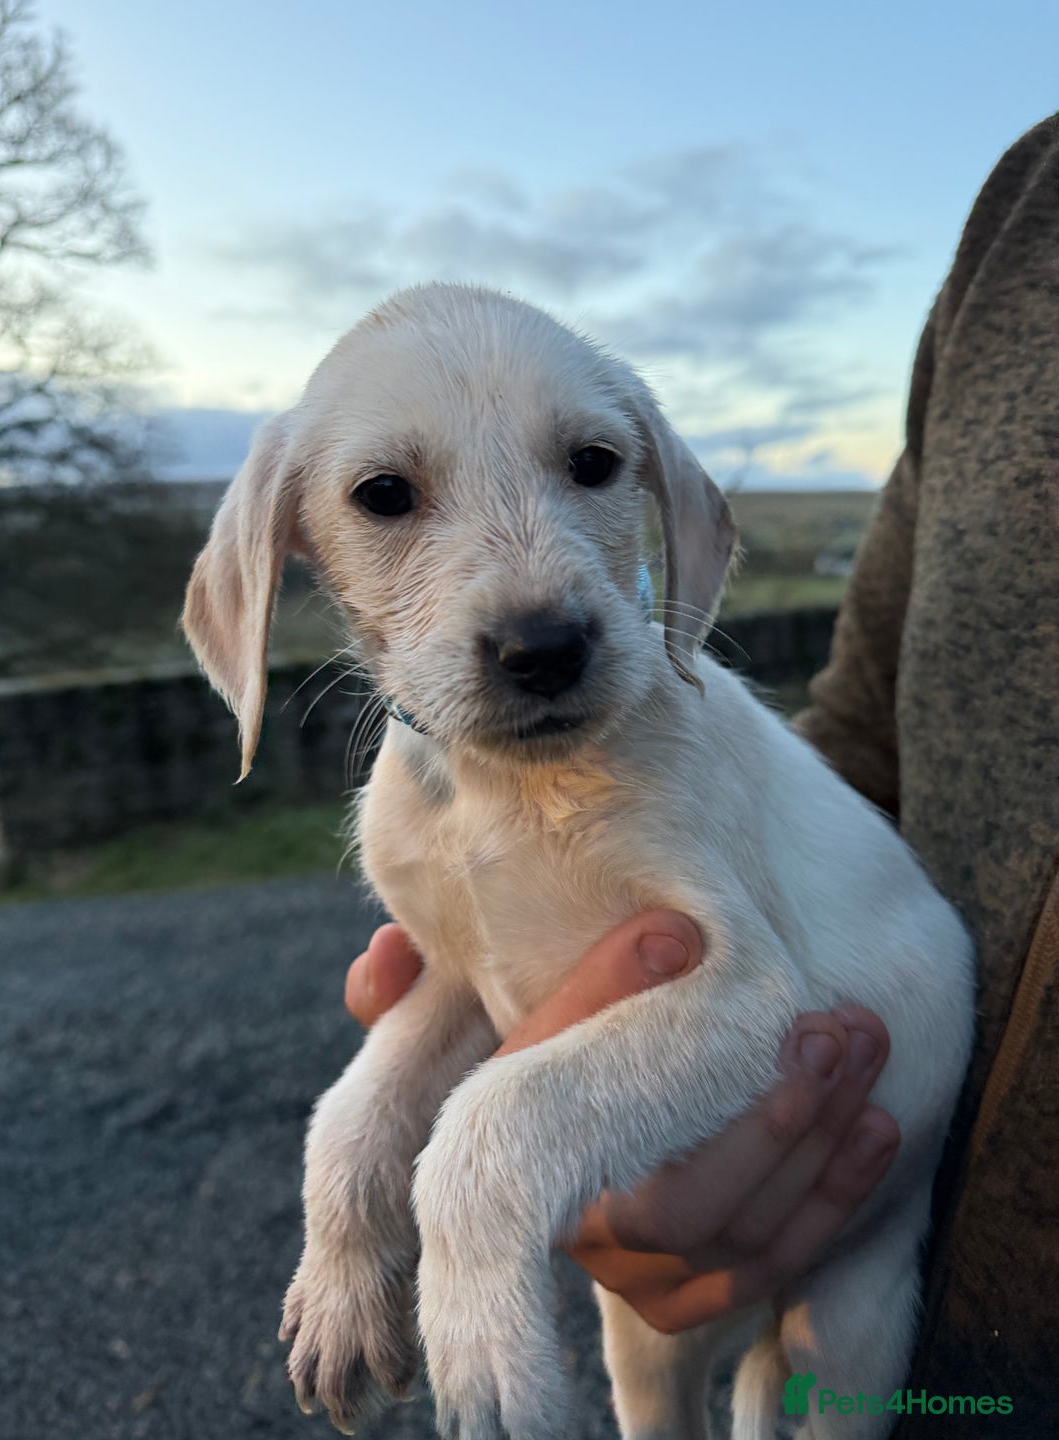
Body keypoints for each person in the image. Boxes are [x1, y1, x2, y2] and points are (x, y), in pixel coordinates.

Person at [345, 115, 1059, 1435]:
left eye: (592, 466)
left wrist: (494, 1160)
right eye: (388, 495)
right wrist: (399, 1180)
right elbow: (858, 728)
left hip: (944, 1269)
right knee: (659, 1381)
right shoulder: (1031, 209)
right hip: (769, 1147)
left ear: (671, 510)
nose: (533, 600)